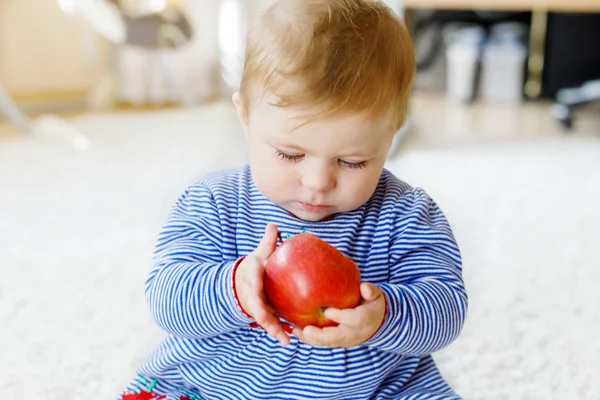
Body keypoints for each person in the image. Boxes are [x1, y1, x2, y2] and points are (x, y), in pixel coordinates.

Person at [119, 0, 467, 398]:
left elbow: (447, 308)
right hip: (215, 387)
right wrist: (232, 286)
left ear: (393, 130)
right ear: (245, 114)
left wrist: (385, 314)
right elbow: (166, 298)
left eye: (353, 161)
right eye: (290, 155)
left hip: (374, 390)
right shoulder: (213, 203)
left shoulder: (406, 214)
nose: (318, 182)